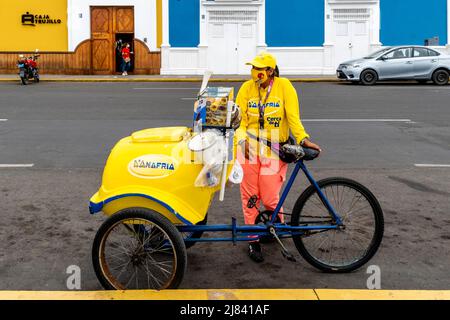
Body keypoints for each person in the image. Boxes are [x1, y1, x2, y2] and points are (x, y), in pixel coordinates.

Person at [235, 52, 322, 263]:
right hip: (248, 147)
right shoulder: (246, 88)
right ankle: (253, 238)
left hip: (274, 147)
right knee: (250, 197)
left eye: (259, 68)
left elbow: (293, 118)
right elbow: (239, 121)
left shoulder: (284, 86)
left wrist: (303, 139)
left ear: (270, 71)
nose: (254, 72)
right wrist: (240, 141)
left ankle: (276, 226)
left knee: (270, 196)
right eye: (253, 68)